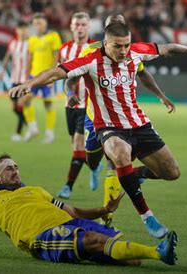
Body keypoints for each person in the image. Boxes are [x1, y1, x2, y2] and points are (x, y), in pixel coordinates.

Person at [9, 22, 187, 239]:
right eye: (118, 46)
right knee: (119, 152)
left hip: (139, 124)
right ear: (105, 43)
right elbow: (56, 72)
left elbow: (168, 49)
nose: (123, 51)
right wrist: (31, 84)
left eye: (126, 45)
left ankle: (133, 175)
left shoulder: (135, 52)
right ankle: (147, 216)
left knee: (172, 173)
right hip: (108, 127)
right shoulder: (91, 59)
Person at [0, 155, 178, 266]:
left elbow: (73, 211)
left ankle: (134, 253)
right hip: (42, 237)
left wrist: (103, 208)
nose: (15, 170)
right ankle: (160, 252)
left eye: (16, 166)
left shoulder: (36, 190)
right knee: (99, 242)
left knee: (131, 260)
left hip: (70, 226)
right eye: (8, 168)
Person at [68, 14, 176, 228]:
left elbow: (143, 74)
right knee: (92, 163)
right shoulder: (91, 51)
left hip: (119, 120)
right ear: (107, 33)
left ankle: (107, 219)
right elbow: (72, 75)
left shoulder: (129, 51)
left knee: (115, 160)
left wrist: (161, 95)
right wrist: (70, 92)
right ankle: (109, 175)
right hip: (94, 116)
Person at [56, 12, 101, 197]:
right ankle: (94, 166)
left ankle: (68, 186)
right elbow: (60, 74)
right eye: (77, 24)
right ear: (71, 27)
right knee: (76, 147)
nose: (80, 27)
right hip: (70, 104)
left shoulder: (96, 46)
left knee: (78, 144)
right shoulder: (64, 49)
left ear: (88, 26)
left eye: (83, 24)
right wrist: (68, 92)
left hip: (89, 105)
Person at [22, 13, 62, 143]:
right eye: (35, 24)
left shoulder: (53, 36)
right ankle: (33, 128)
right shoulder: (32, 39)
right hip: (34, 76)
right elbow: (30, 58)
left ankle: (50, 133)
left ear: (45, 23)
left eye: (39, 23)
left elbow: (57, 56)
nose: (37, 26)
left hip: (47, 76)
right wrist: (27, 77)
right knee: (25, 101)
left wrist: (54, 75)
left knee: (48, 103)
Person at [0, 21, 30, 141]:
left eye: (25, 29)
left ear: (27, 30)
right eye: (20, 29)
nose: (22, 31)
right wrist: (2, 71)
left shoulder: (30, 43)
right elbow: (7, 57)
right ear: (17, 30)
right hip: (14, 78)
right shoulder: (13, 43)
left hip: (25, 80)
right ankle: (30, 127)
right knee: (14, 107)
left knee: (21, 106)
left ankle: (18, 133)